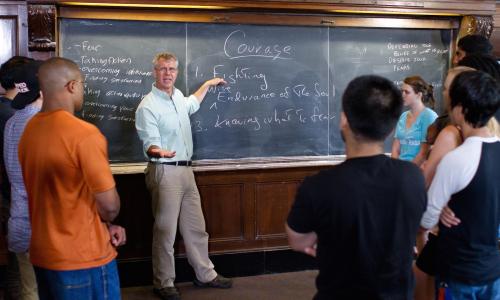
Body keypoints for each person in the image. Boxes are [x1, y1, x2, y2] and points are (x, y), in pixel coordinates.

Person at [286, 75, 427, 299]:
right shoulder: (412, 177)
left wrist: (325, 233)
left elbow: (298, 240)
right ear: (391, 129)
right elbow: (417, 224)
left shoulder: (318, 186)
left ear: (344, 120)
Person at [18, 57, 126, 300]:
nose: (83, 91)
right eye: (83, 84)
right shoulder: (83, 134)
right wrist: (108, 220)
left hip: (43, 253)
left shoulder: (30, 131)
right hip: (83, 256)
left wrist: (104, 225)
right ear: (71, 86)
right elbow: (109, 206)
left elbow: (64, 195)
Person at [135, 52, 231, 300]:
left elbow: (192, 103)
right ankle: (164, 282)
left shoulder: (177, 96)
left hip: (187, 171)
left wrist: (208, 85)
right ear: (154, 72)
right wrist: (159, 151)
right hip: (164, 170)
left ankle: (205, 274)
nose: (168, 73)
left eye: (172, 69)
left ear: (177, 72)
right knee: (165, 230)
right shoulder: (148, 106)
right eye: (163, 69)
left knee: (196, 227)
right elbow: (149, 143)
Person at [419, 70, 500, 299]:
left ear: (461, 108)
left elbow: (426, 219)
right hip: (492, 270)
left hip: (458, 270)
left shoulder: (457, 159)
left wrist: (442, 205)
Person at [3, 61, 42, 300]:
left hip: (19, 221)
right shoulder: (42, 124)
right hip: (43, 226)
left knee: (30, 290)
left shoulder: (12, 122)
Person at [0, 55, 33, 300]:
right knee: (23, 277)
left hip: (11, 200)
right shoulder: (17, 117)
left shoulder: (10, 115)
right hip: (14, 200)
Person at [391, 76, 438, 166]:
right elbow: (395, 148)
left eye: (407, 92)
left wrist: (407, 172)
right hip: (400, 168)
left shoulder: (429, 116)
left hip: (417, 170)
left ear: (419, 95)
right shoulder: (403, 116)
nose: (402, 95)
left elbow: (424, 153)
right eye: (402, 91)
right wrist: (395, 168)